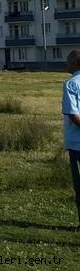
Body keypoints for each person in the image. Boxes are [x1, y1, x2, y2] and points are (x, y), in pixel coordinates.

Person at [62, 50, 80, 232]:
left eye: (67, 61)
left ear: (75, 63)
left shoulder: (71, 84)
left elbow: (74, 116)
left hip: (77, 143)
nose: (65, 64)